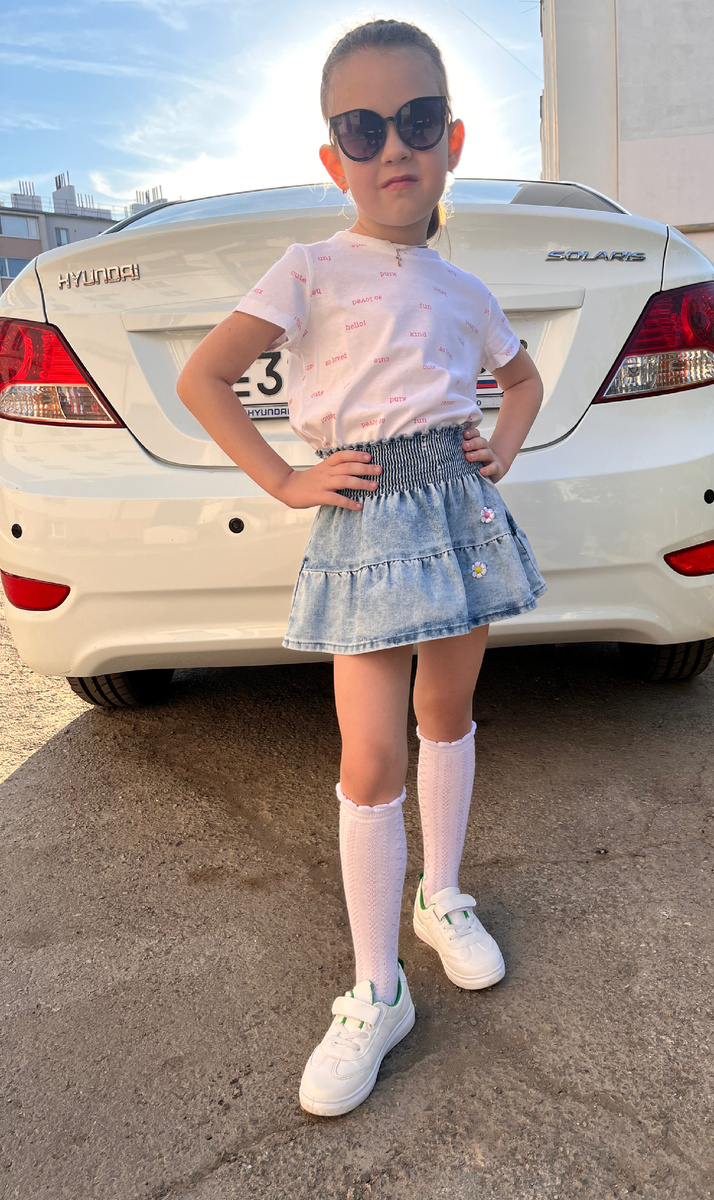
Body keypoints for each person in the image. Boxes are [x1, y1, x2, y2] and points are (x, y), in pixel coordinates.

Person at [176, 18, 546, 1118]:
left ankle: (443, 896)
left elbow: (521, 383)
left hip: (459, 513)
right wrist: (287, 480)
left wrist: (501, 448)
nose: (395, 147)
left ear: (452, 140)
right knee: (370, 757)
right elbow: (205, 378)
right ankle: (378, 990)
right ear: (333, 155)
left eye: (418, 121)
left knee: (447, 713)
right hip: (366, 522)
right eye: (364, 128)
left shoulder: (464, 289)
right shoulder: (308, 269)